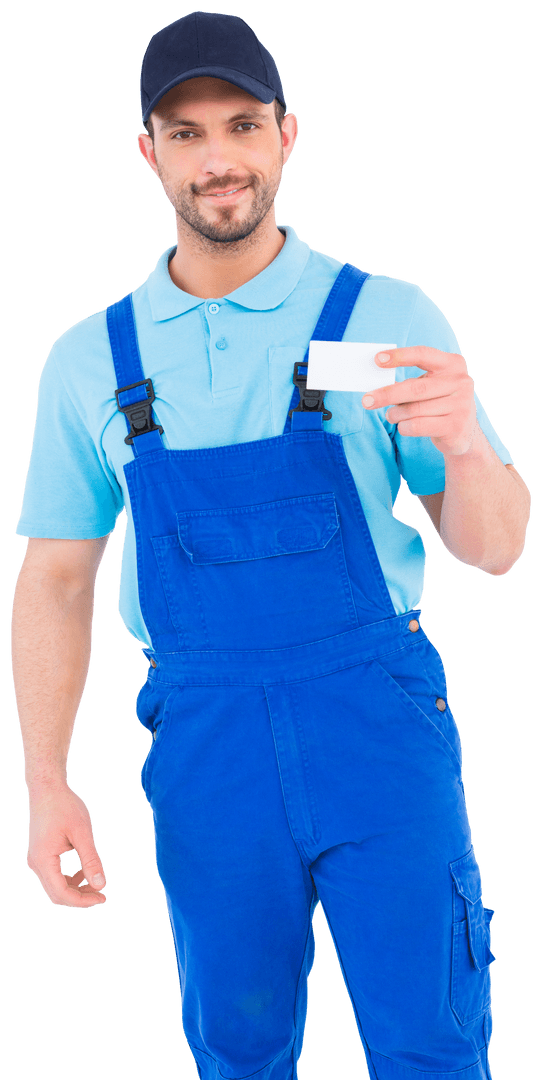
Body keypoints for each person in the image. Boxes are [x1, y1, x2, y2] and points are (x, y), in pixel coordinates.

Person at [11, 11, 531, 1080]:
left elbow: (494, 551)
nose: (218, 159)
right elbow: (57, 580)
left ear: (285, 137)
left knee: (430, 1040)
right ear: (149, 154)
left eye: (240, 125)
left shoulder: (384, 315)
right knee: (236, 1048)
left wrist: (464, 452)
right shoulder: (88, 361)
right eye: (186, 133)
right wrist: (48, 782)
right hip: (207, 745)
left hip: (376, 726)